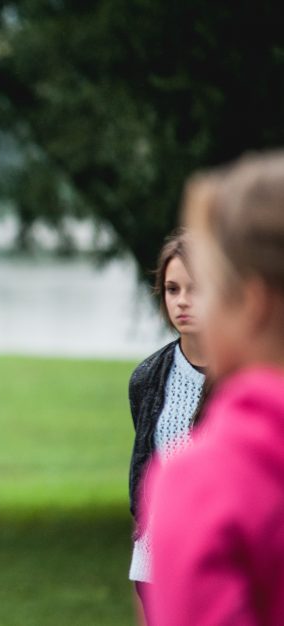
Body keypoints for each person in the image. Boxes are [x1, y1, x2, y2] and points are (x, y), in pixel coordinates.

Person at [147, 153, 284, 624]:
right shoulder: (151, 377)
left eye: (210, 289)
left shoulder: (206, 482)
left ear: (250, 303)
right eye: (174, 289)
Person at [126, 230, 208, 622]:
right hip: (157, 562)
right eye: (172, 289)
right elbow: (145, 466)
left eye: (195, 289)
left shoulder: (248, 376)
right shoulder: (147, 378)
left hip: (220, 557)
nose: (182, 302)